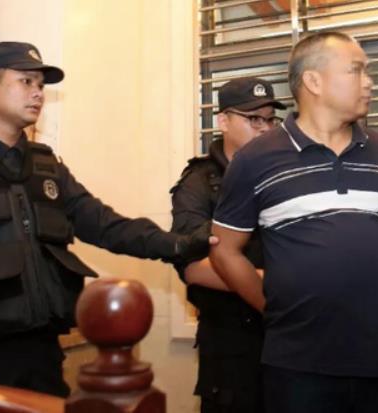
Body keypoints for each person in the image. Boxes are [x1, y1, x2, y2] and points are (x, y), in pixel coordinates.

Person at [0, 41, 211, 397]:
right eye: (25, 81)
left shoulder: (47, 167)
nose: (38, 93)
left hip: (42, 359)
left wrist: (178, 244)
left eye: (41, 85)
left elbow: (105, 225)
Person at [209, 31, 378, 413]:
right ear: (313, 81)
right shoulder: (255, 160)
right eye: (356, 70)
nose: (369, 82)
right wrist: (274, 308)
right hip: (298, 368)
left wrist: (357, 282)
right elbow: (224, 251)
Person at [170, 77, 285, 412]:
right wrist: (277, 287)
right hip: (231, 344)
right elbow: (193, 267)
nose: (265, 129)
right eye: (254, 119)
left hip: (288, 340)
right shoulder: (199, 183)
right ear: (223, 121)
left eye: (270, 120)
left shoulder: (285, 176)